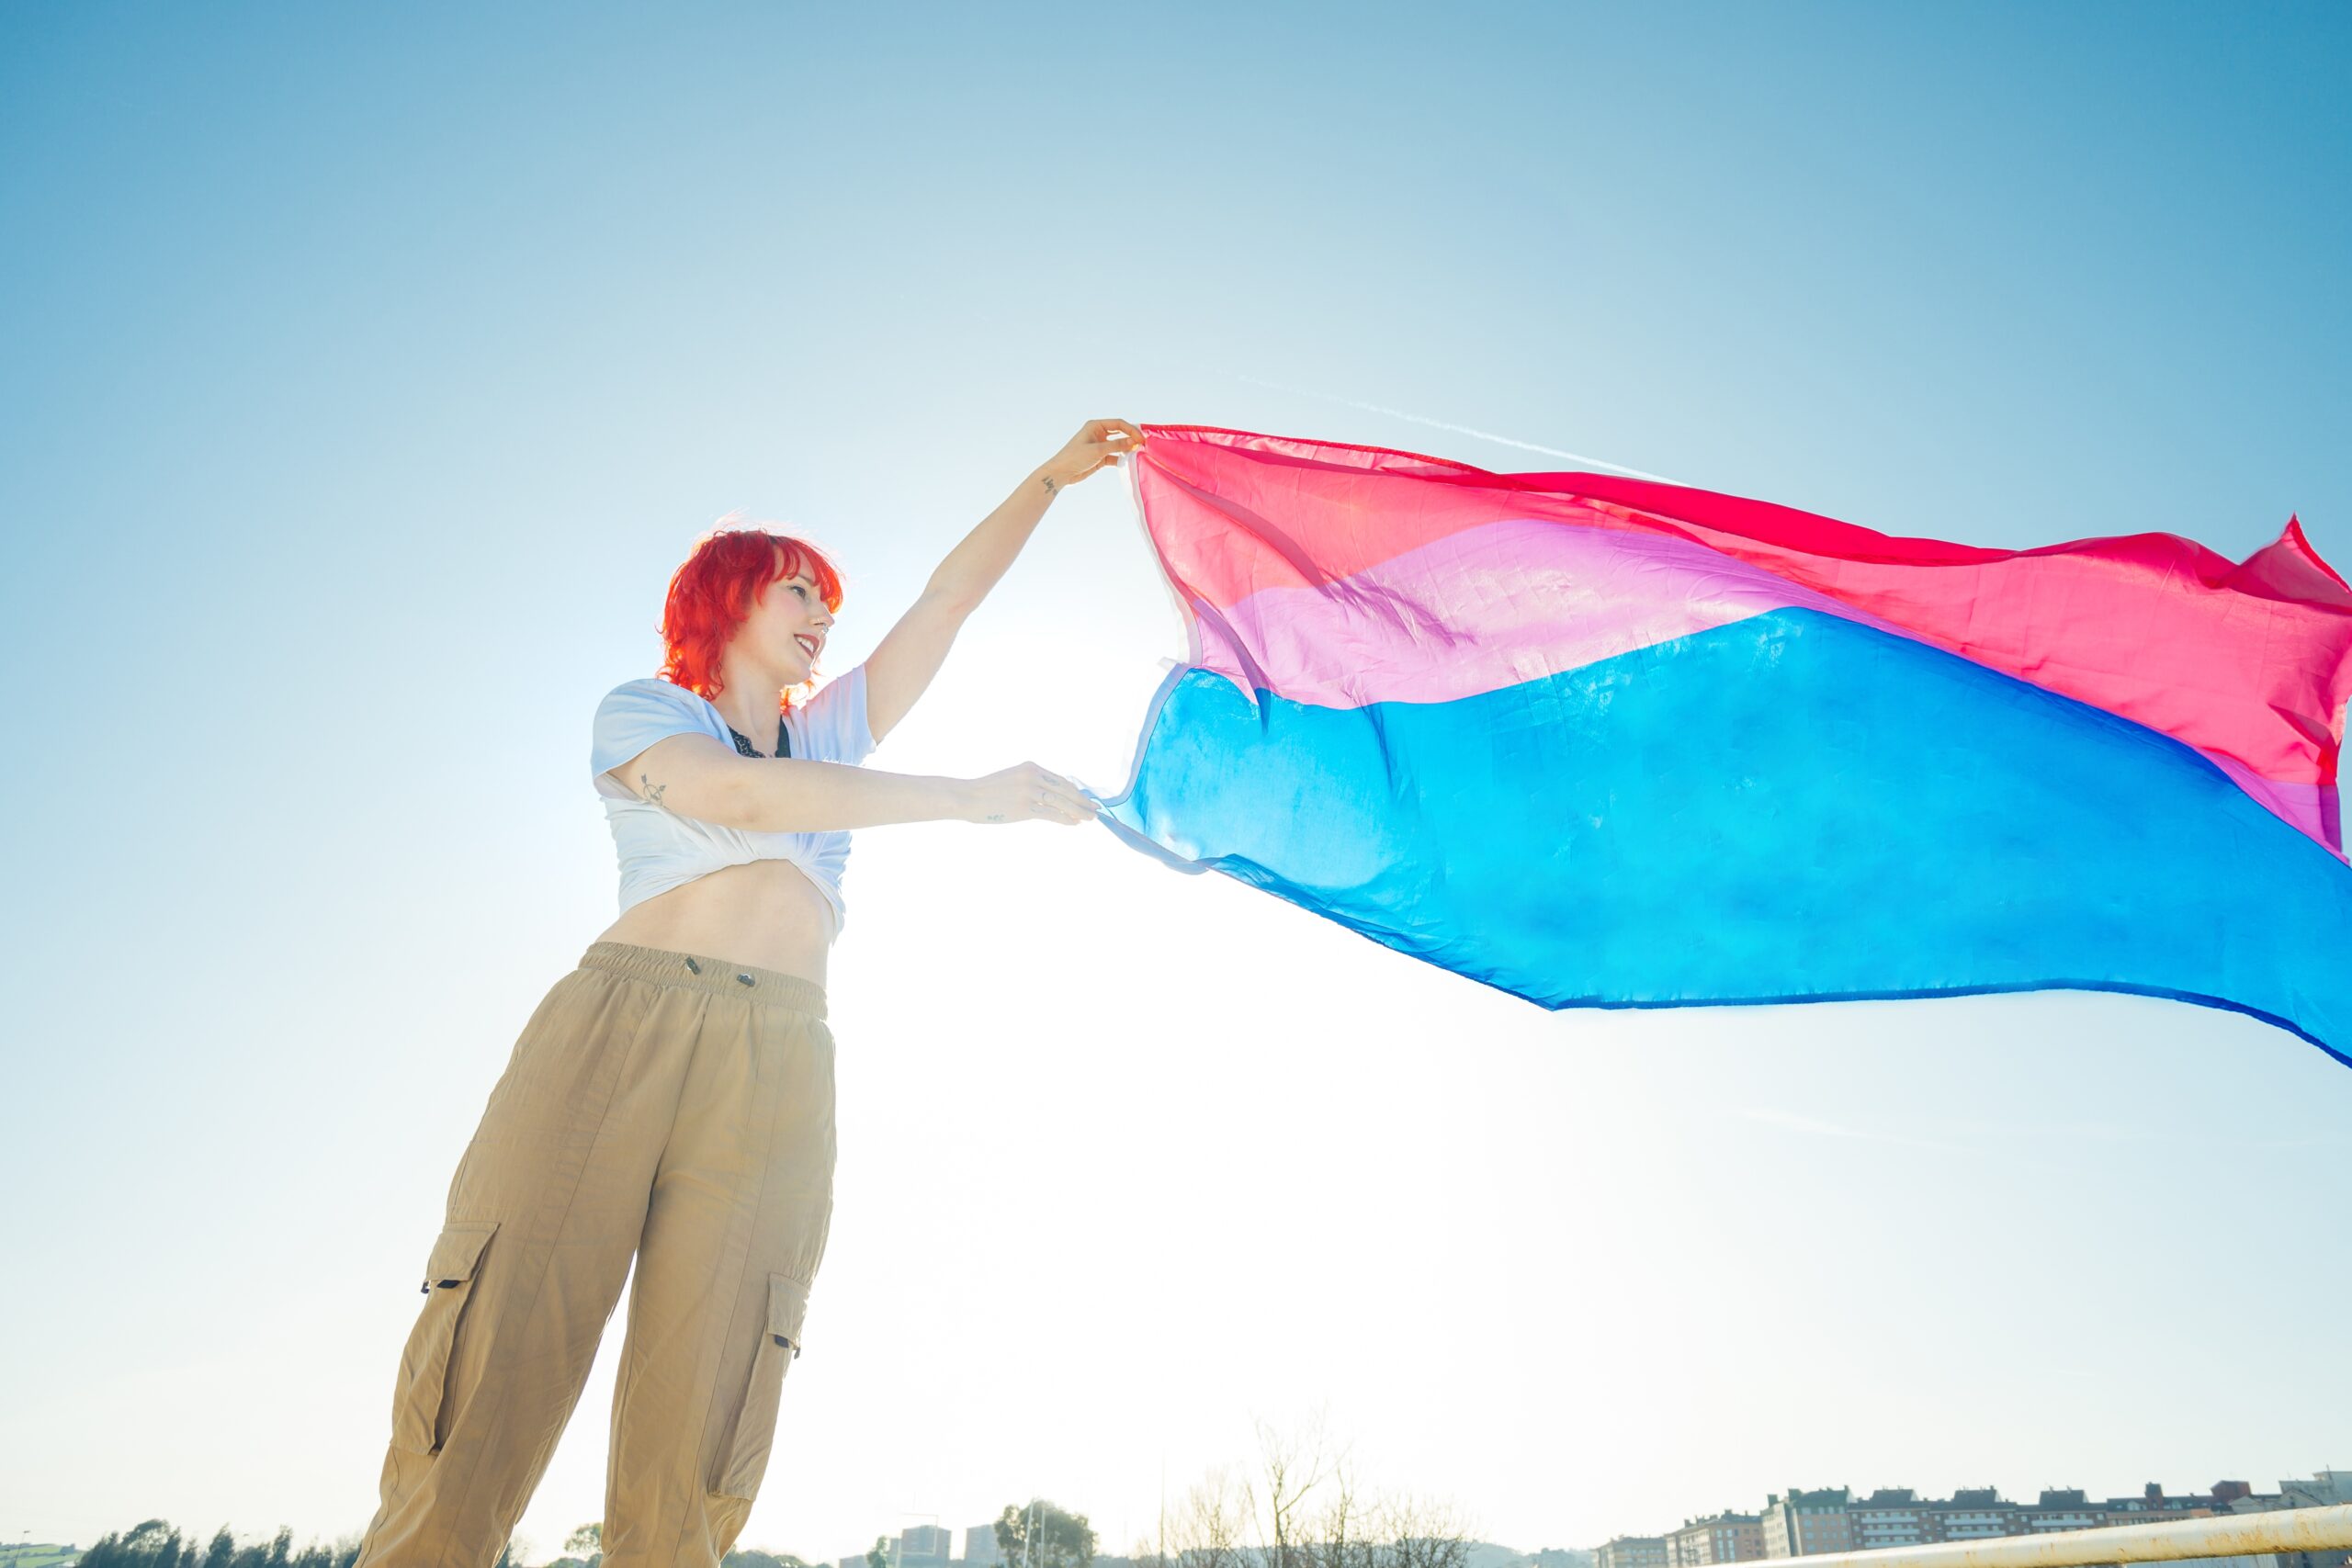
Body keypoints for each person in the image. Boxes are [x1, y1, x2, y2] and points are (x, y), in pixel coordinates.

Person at [353, 419, 1146, 1568]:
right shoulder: (646, 713)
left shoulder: (827, 732)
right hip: (617, 1032)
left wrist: (1047, 482)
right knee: (489, 1375)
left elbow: (945, 603)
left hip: (777, 1064)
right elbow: (742, 802)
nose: (823, 614)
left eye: (827, 597)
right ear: (727, 599)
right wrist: (968, 798)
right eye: (798, 589)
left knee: (710, 1413)